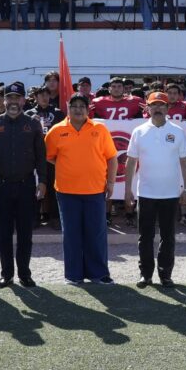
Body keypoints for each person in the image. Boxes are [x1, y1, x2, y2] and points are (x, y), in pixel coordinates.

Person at [45, 93, 119, 285]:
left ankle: (99, 274)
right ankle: (73, 275)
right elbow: (50, 157)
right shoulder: (56, 131)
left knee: (96, 234)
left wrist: (111, 183)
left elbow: (112, 157)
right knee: (71, 234)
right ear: (68, 108)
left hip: (95, 190)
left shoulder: (100, 129)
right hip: (66, 192)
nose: (78, 109)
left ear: (88, 109)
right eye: (74, 106)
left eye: (82, 106)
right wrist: (69, 167)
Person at [0, 82, 47, 288]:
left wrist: (43, 181)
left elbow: (41, 156)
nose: (13, 102)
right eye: (9, 98)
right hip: (2, 186)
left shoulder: (33, 124)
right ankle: (6, 274)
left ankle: (25, 274)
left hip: (26, 186)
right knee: (4, 235)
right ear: (4, 100)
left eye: (17, 98)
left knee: (25, 234)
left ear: (24, 100)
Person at [124, 92, 186, 288]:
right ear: (147, 108)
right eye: (154, 105)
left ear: (168, 108)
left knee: (168, 237)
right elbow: (131, 162)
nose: (158, 108)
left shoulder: (177, 131)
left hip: (170, 194)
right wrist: (127, 190)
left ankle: (165, 275)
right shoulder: (139, 131)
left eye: (161, 105)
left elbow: (184, 162)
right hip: (146, 193)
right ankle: (145, 274)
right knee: (145, 237)